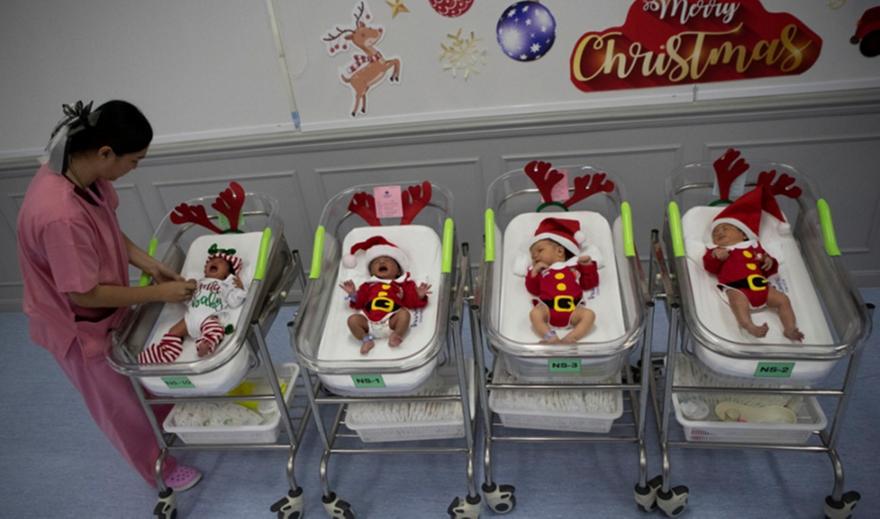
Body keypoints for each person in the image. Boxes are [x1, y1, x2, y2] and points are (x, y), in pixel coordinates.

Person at [16, 100, 203, 491]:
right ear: (105, 152)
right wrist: (157, 293)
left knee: (141, 372)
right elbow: (83, 295)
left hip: (103, 305)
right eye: (134, 161)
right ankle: (158, 470)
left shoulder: (82, 176)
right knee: (119, 403)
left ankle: (173, 422)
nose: (134, 169)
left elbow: (107, 227)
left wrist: (152, 265)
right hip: (75, 326)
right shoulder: (59, 214)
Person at [702, 185, 804, 341]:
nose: (719, 232)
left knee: (783, 300)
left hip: (761, 286)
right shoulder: (717, 250)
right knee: (737, 302)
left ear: (743, 234)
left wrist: (768, 261)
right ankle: (749, 325)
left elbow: (770, 268)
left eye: (725, 228)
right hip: (737, 287)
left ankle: (790, 328)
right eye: (715, 233)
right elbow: (709, 266)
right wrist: (715, 257)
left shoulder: (755, 247)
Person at [138, 244, 246, 363]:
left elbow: (234, 302)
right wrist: (189, 286)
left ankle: (206, 344)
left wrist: (239, 289)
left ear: (227, 274)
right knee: (173, 332)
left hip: (207, 318)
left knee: (215, 329)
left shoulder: (225, 285)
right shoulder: (199, 283)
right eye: (212, 261)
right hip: (190, 318)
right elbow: (183, 297)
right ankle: (160, 355)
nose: (215, 262)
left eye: (221, 262)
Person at [338, 236, 431, 354]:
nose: (381, 262)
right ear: (371, 272)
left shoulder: (402, 285)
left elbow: (410, 301)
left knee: (404, 315)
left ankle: (396, 335)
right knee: (352, 320)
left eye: (387, 260)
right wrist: (353, 294)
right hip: (368, 321)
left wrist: (419, 295)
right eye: (376, 262)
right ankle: (366, 339)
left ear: (398, 271)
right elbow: (360, 302)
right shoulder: (368, 285)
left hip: (391, 320)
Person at [524, 217, 598, 344]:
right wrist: (534, 273)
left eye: (540, 250)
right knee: (535, 314)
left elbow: (589, 284)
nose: (535, 256)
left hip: (573, 309)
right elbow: (534, 290)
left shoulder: (574, 267)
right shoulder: (542, 271)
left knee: (589, 315)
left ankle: (571, 337)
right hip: (548, 308)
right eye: (532, 255)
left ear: (559, 251)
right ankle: (550, 337)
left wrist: (587, 266)